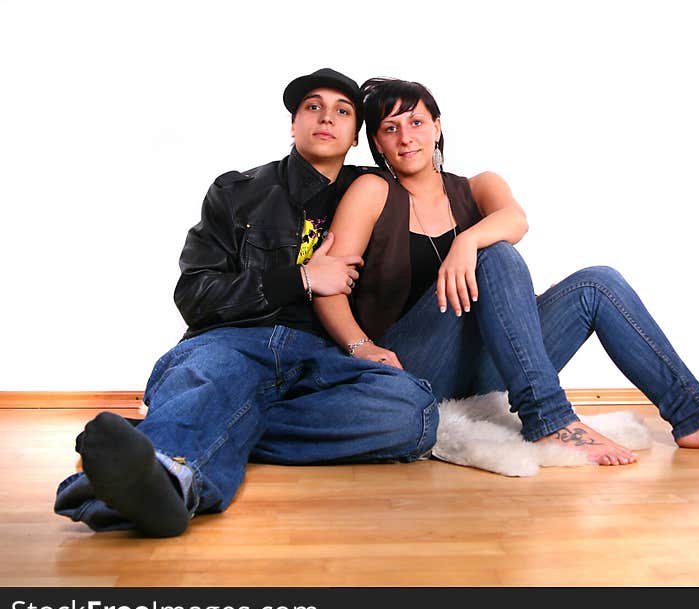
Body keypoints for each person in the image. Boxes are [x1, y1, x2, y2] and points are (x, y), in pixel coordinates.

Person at [313, 77, 699, 467]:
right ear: (376, 141)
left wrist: (466, 239)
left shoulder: (479, 187)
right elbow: (328, 287)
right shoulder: (373, 190)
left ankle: (697, 415)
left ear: (437, 127)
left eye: (416, 122)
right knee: (497, 256)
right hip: (409, 367)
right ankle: (549, 420)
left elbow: (516, 220)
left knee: (597, 282)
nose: (406, 137)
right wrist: (362, 346)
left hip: (480, 367)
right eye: (391, 129)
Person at [53, 69, 438, 538]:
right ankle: (165, 485)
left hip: (322, 355)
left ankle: (184, 433)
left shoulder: (373, 192)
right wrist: (299, 277)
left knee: (412, 411)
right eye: (312, 107)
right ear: (293, 125)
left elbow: (444, 205)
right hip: (234, 341)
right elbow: (194, 296)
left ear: (357, 135)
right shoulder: (237, 192)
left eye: (343, 111)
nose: (326, 118)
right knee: (214, 375)